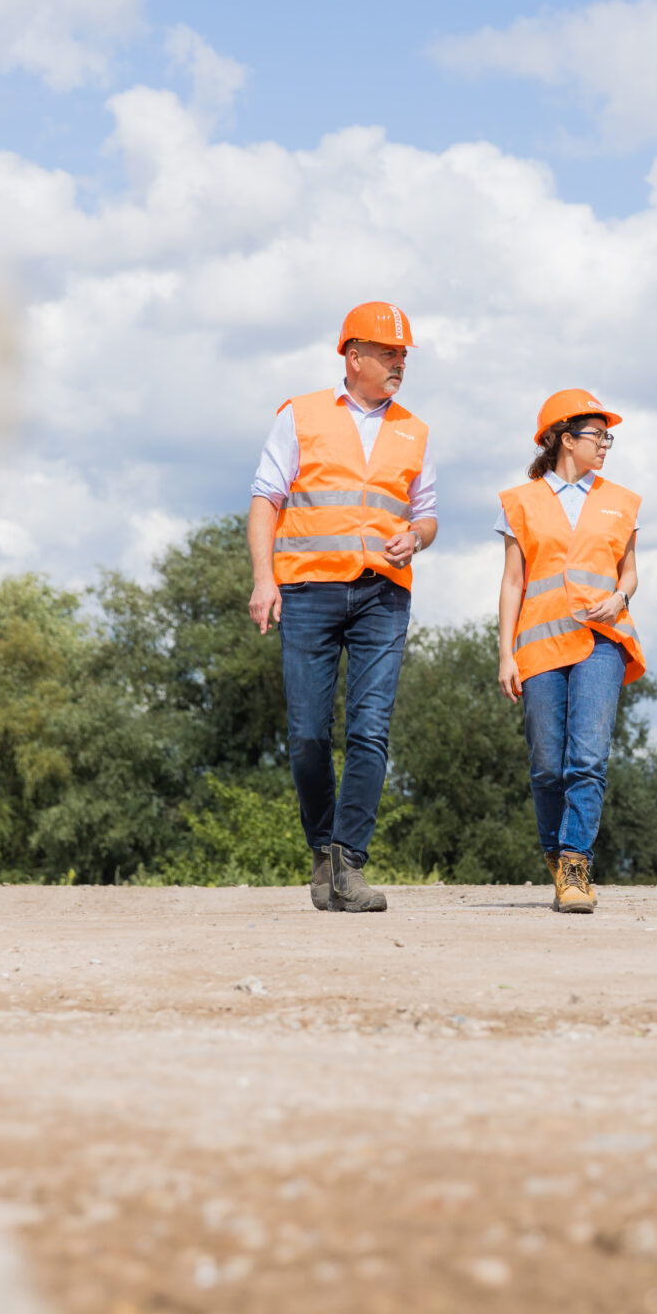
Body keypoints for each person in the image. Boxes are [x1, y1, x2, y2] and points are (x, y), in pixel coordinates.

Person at [248, 302, 437, 913]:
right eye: (389, 354)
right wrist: (263, 578)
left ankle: (349, 862)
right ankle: (321, 852)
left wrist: (419, 535)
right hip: (307, 590)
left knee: (370, 732)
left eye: (403, 356)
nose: (398, 364)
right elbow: (265, 500)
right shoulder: (299, 415)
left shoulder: (415, 430)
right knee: (307, 735)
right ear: (353, 358)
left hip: (384, 593)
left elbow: (426, 513)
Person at [495, 390, 644, 915]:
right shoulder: (522, 501)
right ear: (563, 439)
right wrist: (505, 654)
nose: (605, 445)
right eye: (596, 435)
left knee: (587, 759)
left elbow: (629, 571)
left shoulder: (621, 501)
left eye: (608, 437)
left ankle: (576, 867)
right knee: (546, 767)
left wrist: (620, 597)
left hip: (601, 643)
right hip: (538, 647)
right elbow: (513, 582)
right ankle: (556, 857)